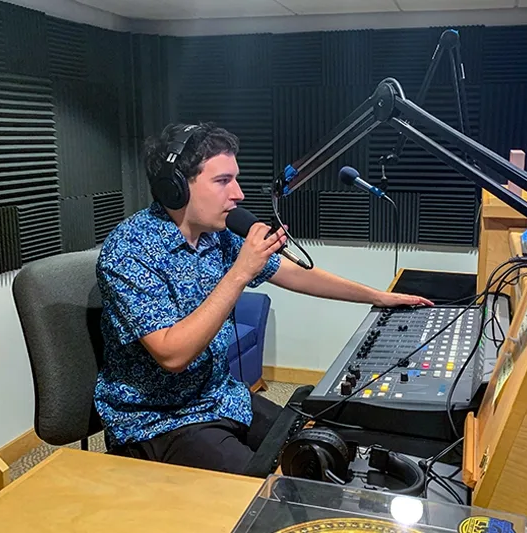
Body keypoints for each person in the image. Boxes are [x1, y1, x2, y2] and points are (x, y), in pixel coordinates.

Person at [95, 122, 433, 475]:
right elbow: (172, 354)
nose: (238, 193)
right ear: (175, 187)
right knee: (268, 490)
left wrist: (378, 297)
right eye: (223, 180)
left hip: (221, 396)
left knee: (320, 450)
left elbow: (296, 273)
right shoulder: (129, 251)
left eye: (236, 179)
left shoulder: (217, 235)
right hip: (159, 420)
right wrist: (240, 272)